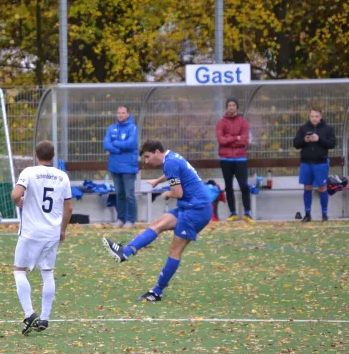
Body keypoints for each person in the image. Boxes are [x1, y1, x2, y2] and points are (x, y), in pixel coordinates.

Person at [102, 140, 212, 302]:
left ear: (157, 152)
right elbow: (173, 174)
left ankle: (157, 292)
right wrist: (157, 181)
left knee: (175, 251)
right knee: (157, 224)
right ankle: (125, 252)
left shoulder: (170, 163)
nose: (146, 161)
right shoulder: (171, 158)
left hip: (196, 210)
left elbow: (178, 192)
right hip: (189, 206)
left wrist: (167, 193)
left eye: (147, 157)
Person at [10, 140, 73, 335]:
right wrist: (62, 230)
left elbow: (15, 194)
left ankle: (29, 314)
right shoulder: (62, 176)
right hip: (51, 232)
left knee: (19, 270)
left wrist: (18, 200)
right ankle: (45, 317)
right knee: (47, 271)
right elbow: (68, 207)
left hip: (31, 232)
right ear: (53, 156)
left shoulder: (28, 172)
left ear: (35, 155)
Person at [293, 106, 336, 222]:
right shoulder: (303, 128)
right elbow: (296, 143)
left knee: (322, 187)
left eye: (316, 116)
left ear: (321, 117)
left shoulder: (327, 129)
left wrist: (319, 139)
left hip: (320, 162)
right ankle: (307, 214)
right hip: (306, 162)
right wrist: (305, 140)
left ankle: (325, 215)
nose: (314, 118)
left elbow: (332, 144)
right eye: (312, 116)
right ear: (309, 116)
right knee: (307, 187)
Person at [216, 98, 253, 223]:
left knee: (244, 185)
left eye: (233, 105)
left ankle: (247, 213)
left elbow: (244, 140)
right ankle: (233, 213)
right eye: (229, 105)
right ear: (226, 107)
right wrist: (236, 138)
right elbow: (221, 140)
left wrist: (229, 139)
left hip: (240, 158)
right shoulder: (221, 122)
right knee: (228, 186)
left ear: (237, 107)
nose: (231, 107)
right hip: (225, 159)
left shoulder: (243, 122)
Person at [103, 105, 139, 229]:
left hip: (128, 167)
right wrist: (119, 149)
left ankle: (131, 220)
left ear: (128, 114)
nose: (120, 115)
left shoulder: (133, 128)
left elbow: (131, 144)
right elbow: (106, 144)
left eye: (123, 113)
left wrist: (116, 143)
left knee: (129, 194)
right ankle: (121, 219)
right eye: (118, 112)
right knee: (119, 194)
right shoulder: (111, 128)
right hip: (115, 166)